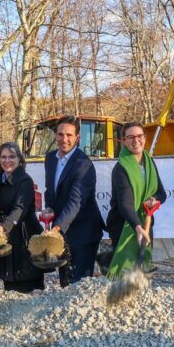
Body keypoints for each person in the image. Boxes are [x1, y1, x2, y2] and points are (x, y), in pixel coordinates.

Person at [44, 116, 104, 285]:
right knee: (65, 281)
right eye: (61, 134)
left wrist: (55, 228)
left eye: (69, 135)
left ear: (77, 137)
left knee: (79, 286)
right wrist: (49, 207)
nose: (64, 139)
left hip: (83, 232)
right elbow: (51, 190)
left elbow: (75, 202)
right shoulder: (50, 159)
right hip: (63, 233)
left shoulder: (83, 164)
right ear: (55, 135)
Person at [106, 122, 166, 278]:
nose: (136, 140)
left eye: (139, 136)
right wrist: (138, 227)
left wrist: (154, 199)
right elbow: (125, 204)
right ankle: (119, 299)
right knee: (124, 272)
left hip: (146, 221)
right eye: (130, 137)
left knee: (142, 270)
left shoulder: (149, 163)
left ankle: (139, 300)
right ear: (124, 141)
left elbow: (162, 193)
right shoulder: (120, 169)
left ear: (145, 138)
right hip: (123, 224)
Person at [0, 142, 44, 293]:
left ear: (19, 159)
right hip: (6, 237)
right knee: (8, 287)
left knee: (26, 286)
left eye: (12, 157)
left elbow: (19, 208)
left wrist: (3, 226)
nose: (7, 161)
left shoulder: (24, 180)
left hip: (25, 239)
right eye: (3, 157)